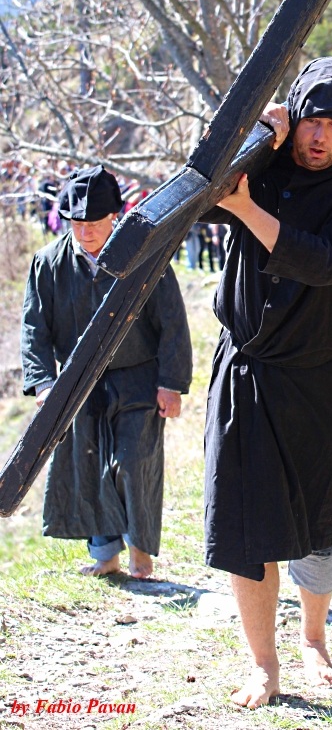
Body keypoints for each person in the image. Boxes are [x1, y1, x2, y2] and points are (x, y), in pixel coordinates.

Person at [202, 57, 332, 708]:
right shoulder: (265, 164)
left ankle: (314, 637)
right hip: (245, 372)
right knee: (243, 524)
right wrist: (250, 136)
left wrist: (246, 210)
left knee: (315, 524)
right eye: (310, 121)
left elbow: (324, 262)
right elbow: (196, 175)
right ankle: (264, 664)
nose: (317, 137)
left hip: (317, 380)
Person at [21, 165, 192, 579]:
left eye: (95, 223)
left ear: (115, 217)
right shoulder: (48, 264)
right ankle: (105, 555)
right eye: (77, 225)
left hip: (139, 376)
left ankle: (141, 551)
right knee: (89, 462)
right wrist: (44, 382)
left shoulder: (143, 255)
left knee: (134, 462)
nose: (86, 233)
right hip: (78, 385)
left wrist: (172, 383)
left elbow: (172, 320)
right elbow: (34, 328)